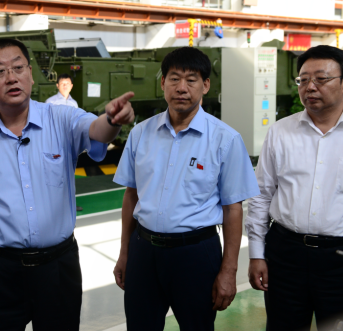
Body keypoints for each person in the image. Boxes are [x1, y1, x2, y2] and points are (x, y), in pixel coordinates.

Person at [0, 38, 135, 330]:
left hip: (58, 267)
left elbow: (96, 130)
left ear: (30, 73)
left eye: (18, 68)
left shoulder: (62, 118)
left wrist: (113, 119)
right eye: (0, 71)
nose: (11, 77)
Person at [112, 46, 259, 331]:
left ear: (206, 85)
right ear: (162, 83)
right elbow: (131, 195)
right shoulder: (141, 133)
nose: (181, 88)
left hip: (196, 255)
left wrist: (229, 271)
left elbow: (233, 209)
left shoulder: (225, 139)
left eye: (191, 80)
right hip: (144, 251)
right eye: (174, 79)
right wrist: (125, 251)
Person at [246, 45, 343, 331]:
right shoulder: (280, 131)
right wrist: (256, 253)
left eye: (321, 79)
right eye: (303, 80)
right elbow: (261, 195)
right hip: (285, 255)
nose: (310, 87)